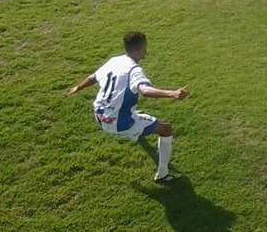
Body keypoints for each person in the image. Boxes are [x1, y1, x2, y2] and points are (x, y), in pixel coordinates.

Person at [68, 31, 189, 184]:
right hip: (118, 123)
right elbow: (144, 91)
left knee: (137, 114)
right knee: (166, 129)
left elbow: (93, 77)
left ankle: (136, 127)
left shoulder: (114, 61)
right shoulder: (134, 70)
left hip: (99, 115)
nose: (146, 49)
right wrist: (172, 93)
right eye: (145, 46)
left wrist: (78, 88)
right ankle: (163, 175)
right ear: (140, 49)